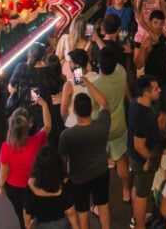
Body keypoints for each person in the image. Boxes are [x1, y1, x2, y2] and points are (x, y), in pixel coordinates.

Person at [58, 79, 111, 229]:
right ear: (91, 109)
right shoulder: (102, 124)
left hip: (79, 177)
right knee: (103, 204)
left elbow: (62, 159)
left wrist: (64, 177)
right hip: (101, 171)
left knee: (82, 211)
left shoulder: (67, 135)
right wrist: (86, 83)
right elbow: (104, 104)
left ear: (74, 111)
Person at [0, 96, 52, 229]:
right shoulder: (37, 141)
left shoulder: (6, 147)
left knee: (21, 214)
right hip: (34, 185)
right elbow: (48, 126)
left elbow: (4, 171)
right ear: (29, 124)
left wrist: (1, 186)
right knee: (36, 212)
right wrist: (44, 105)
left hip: (14, 189)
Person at [87, 45, 131, 204]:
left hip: (101, 129)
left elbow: (91, 108)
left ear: (98, 64)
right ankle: (126, 191)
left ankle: (101, 197)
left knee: (99, 164)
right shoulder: (121, 71)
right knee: (121, 160)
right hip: (119, 125)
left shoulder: (94, 85)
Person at [129, 74, 164, 229]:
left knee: (137, 187)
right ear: (146, 93)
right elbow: (139, 146)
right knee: (142, 195)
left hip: (135, 158)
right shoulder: (143, 115)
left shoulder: (136, 103)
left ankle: (136, 217)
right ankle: (140, 225)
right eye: (155, 89)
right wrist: (152, 161)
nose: (160, 91)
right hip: (141, 160)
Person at [22, 145, 78, 229]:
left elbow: (27, 211)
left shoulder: (31, 184)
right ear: (58, 165)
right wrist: (76, 227)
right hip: (61, 224)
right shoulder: (64, 183)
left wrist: (27, 225)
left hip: (41, 225)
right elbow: (71, 213)